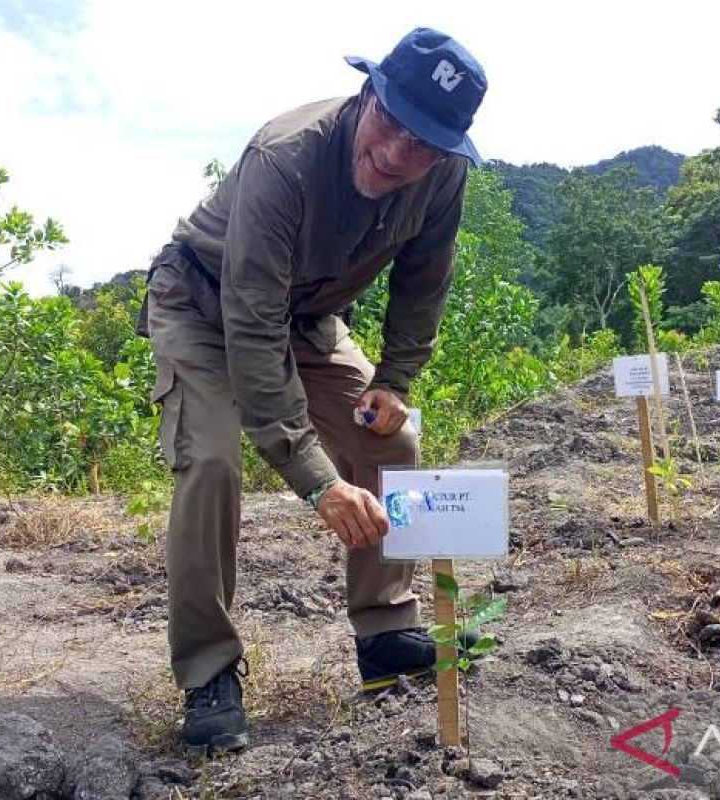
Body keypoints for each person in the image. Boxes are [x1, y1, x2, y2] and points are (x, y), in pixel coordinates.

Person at [138, 28, 487, 753]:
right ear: (367, 94)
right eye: (390, 125)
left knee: (396, 440)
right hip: (204, 302)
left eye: (423, 144)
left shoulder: (444, 175)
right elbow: (252, 327)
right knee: (210, 463)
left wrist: (394, 380)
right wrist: (318, 484)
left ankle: (387, 632)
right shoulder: (285, 159)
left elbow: (425, 283)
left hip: (310, 316)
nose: (397, 156)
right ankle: (209, 671)